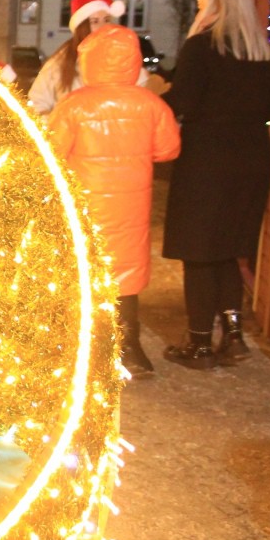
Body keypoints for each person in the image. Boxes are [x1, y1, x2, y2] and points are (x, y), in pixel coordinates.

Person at [48, 25, 181, 377]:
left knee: (84, 269)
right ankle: (130, 349)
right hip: (131, 206)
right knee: (126, 273)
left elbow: (51, 152)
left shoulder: (74, 105)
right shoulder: (150, 104)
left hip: (86, 204)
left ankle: (85, 352)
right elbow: (169, 149)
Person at [161, 0, 270, 369]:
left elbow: (182, 101)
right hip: (252, 157)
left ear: (215, 8)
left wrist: (152, 99)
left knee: (197, 249)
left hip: (208, 157)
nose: (199, 11)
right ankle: (233, 336)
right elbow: (267, 109)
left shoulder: (202, 47)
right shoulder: (265, 54)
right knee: (229, 248)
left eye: (202, 4)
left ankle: (199, 343)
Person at [29, 0, 149, 117]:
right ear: (82, 27)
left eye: (106, 20)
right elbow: (37, 103)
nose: (103, 27)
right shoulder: (61, 62)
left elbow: (140, 97)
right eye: (95, 21)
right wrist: (56, 125)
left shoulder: (122, 58)